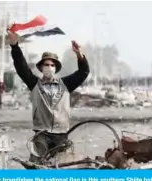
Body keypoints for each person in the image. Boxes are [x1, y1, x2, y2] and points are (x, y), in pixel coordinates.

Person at [7, 27, 90, 162]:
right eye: (46, 64)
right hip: (42, 134)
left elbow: (83, 72)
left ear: (56, 68)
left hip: (61, 134)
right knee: (37, 163)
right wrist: (14, 45)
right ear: (41, 67)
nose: (49, 67)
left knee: (64, 165)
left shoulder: (66, 84)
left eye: (52, 65)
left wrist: (79, 55)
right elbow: (21, 66)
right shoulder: (34, 84)